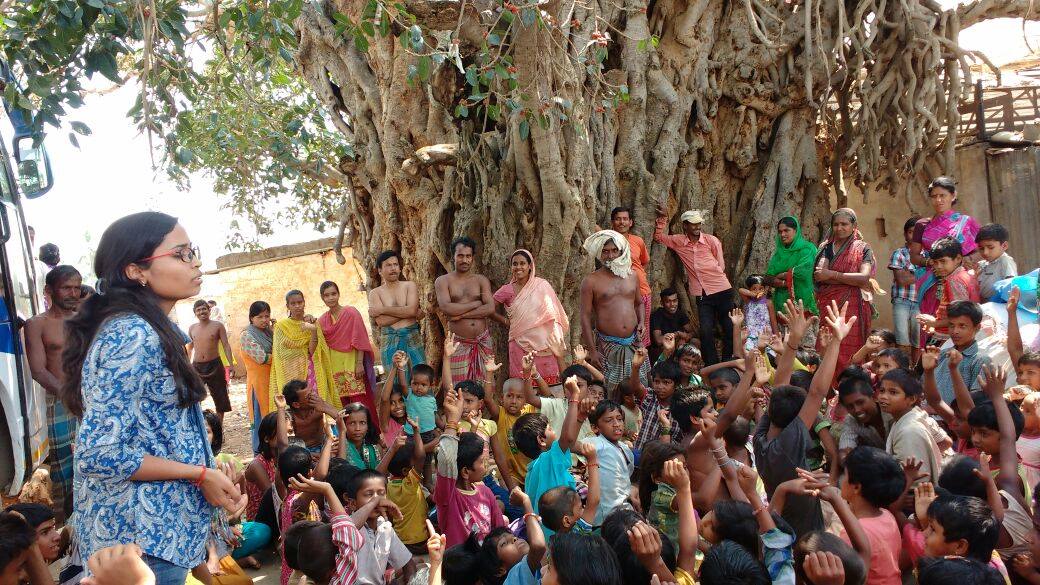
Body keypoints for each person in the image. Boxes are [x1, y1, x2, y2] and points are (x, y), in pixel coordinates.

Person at [61, 212, 241, 585]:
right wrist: (199, 473)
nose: (195, 263)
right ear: (135, 270)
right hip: (141, 547)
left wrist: (209, 470)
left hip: (162, 536)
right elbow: (99, 453)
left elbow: (155, 432)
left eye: (193, 252)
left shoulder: (158, 329)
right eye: (180, 254)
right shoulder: (130, 333)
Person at [24, 265, 81, 522]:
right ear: (49, 290)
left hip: (90, 399)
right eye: (66, 288)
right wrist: (69, 395)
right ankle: (65, 528)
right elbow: (39, 370)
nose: (73, 293)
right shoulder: (37, 324)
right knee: (63, 469)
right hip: (59, 402)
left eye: (77, 287)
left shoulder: (84, 320)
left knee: (93, 461)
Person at [654, 206, 735, 365]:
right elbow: (659, 237)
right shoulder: (679, 241)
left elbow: (721, 264)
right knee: (705, 330)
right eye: (693, 224)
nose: (697, 227)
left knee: (729, 327)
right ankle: (711, 364)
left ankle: (728, 361)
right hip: (702, 295)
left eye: (699, 224)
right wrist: (663, 218)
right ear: (685, 225)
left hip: (722, 290)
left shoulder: (711, 241)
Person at [580, 230, 649, 397]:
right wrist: (592, 350)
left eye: (614, 250)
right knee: (612, 390)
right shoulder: (591, 281)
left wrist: (641, 323)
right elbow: (585, 317)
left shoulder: (632, 275)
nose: (610, 255)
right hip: (608, 344)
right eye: (605, 251)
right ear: (599, 254)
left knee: (641, 387)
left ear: (621, 251)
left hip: (634, 341)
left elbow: (639, 303)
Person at [813, 208, 876, 376]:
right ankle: (827, 385)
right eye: (836, 224)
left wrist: (832, 275)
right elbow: (819, 275)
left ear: (854, 226)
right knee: (827, 342)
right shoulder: (826, 247)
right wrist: (848, 279)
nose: (839, 228)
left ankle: (848, 382)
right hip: (829, 304)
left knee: (850, 343)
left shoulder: (863, 248)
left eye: (844, 224)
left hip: (853, 305)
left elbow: (863, 278)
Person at [492, 249, 570, 385]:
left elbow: (553, 313)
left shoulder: (542, 285)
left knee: (550, 386)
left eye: (522, 263)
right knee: (521, 383)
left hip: (545, 344)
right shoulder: (507, 290)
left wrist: (555, 337)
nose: (518, 267)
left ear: (530, 266)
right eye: (515, 264)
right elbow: (489, 309)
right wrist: (506, 321)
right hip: (519, 343)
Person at [435, 237, 495, 382]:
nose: (465, 260)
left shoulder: (481, 280)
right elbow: (446, 307)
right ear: (453, 257)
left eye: (468, 256)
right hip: (458, 344)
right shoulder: (443, 281)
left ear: (473, 258)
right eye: (460, 256)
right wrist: (475, 304)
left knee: (485, 386)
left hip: (483, 340)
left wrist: (461, 315)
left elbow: (490, 308)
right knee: (458, 387)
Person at [269, 290, 336, 411]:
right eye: (293, 303)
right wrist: (298, 351)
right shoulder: (281, 327)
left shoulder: (312, 323)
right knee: (297, 403)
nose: (297, 306)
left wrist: (313, 331)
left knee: (314, 401)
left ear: (304, 303)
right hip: (292, 371)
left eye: (300, 302)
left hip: (312, 370)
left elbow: (312, 351)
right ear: (287, 306)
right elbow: (280, 355)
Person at [318, 281, 378, 413]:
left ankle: (371, 432)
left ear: (338, 294)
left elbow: (360, 339)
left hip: (353, 364)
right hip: (335, 367)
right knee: (342, 403)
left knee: (362, 401)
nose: (331, 298)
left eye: (333, 294)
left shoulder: (351, 313)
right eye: (326, 295)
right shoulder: (322, 320)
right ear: (322, 298)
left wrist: (359, 363)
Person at [910, 176, 981, 278]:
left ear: (953, 196)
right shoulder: (922, 225)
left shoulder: (966, 222)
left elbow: (981, 251)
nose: (938, 200)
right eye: (934, 196)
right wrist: (930, 262)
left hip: (961, 278)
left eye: (943, 195)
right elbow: (914, 257)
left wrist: (967, 259)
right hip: (931, 279)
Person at [765, 216, 820, 346]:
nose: (782, 234)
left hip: (803, 306)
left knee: (806, 351)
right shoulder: (779, 253)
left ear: (796, 231)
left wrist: (782, 276)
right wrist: (785, 280)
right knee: (785, 349)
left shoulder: (807, 249)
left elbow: (803, 272)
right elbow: (768, 277)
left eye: (786, 230)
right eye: (780, 231)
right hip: (781, 306)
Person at [368, 250, 425, 376]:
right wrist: (409, 311)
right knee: (395, 385)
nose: (393, 268)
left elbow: (411, 310)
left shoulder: (409, 286)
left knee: (420, 378)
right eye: (388, 265)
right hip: (389, 340)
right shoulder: (375, 293)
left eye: (396, 264)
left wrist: (383, 309)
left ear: (400, 268)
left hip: (412, 337)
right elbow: (381, 321)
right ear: (379, 270)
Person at [916, 238, 980, 348]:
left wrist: (934, 323)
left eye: (943, 261)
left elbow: (961, 317)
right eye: (935, 262)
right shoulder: (964, 275)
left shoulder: (955, 280)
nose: (938, 266)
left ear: (958, 259)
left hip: (948, 337)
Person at [188, 300, 238, 423]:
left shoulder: (217, 326)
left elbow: (226, 345)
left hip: (215, 365)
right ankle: (200, 425)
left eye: (204, 309)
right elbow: (190, 347)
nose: (201, 312)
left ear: (209, 310)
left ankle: (219, 428)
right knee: (195, 397)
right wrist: (187, 365)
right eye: (198, 310)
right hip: (197, 366)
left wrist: (230, 364)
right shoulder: (192, 328)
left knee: (220, 398)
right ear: (195, 313)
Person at [610, 207, 652, 347]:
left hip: (643, 292)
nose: (622, 222)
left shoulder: (638, 241)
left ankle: (641, 366)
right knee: (622, 334)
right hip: (620, 295)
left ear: (631, 222)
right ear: (612, 222)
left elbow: (644, 261)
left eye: (625, 219)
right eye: (618, 219)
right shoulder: (608, 242)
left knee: (641, 333)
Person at [240, 301, 274, 454]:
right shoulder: (247, 335)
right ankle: (260, 452)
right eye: (260, 317)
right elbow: (262, 358)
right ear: (251, 318)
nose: (264, 320)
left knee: (274, 414)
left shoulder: (268, 332)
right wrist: (282, 356)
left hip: (272, 380)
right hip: (259, 383)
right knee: (262, 417)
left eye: (267, 316)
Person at [889, 216, 922, 361]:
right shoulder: (899, 253)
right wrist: (925, 272)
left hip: (920, 301)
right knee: (901, 338)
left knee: (919, 339)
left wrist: (911, 274)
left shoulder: (928, 254)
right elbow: (901, 280)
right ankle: (903, 370)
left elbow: (906, 277)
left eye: (918, 232)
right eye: (910, 232)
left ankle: (916, 371)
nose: (914, 236)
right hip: (901, 300)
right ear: (905, 234)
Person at [973, 223, 1017, 302]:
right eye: (981, 248)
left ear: (1004, 246)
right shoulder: (983, 264)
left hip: (998, 306)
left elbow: (1011, 284)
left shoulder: (1005, 261)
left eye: (990, 247)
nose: (985, 252)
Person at [648, 288, 693, 362]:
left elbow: (693, 332)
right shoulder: (657, 316)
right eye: (668, 302)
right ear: (662, 303)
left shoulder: (680, 314)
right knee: (668, 347)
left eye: (674, 301)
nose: (672, 304)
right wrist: (677, 335)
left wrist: (684, 337)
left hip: (678, 344)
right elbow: (658, 341)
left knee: (695, 342)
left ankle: (691, 367)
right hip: (662, 349)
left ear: (678, 301)